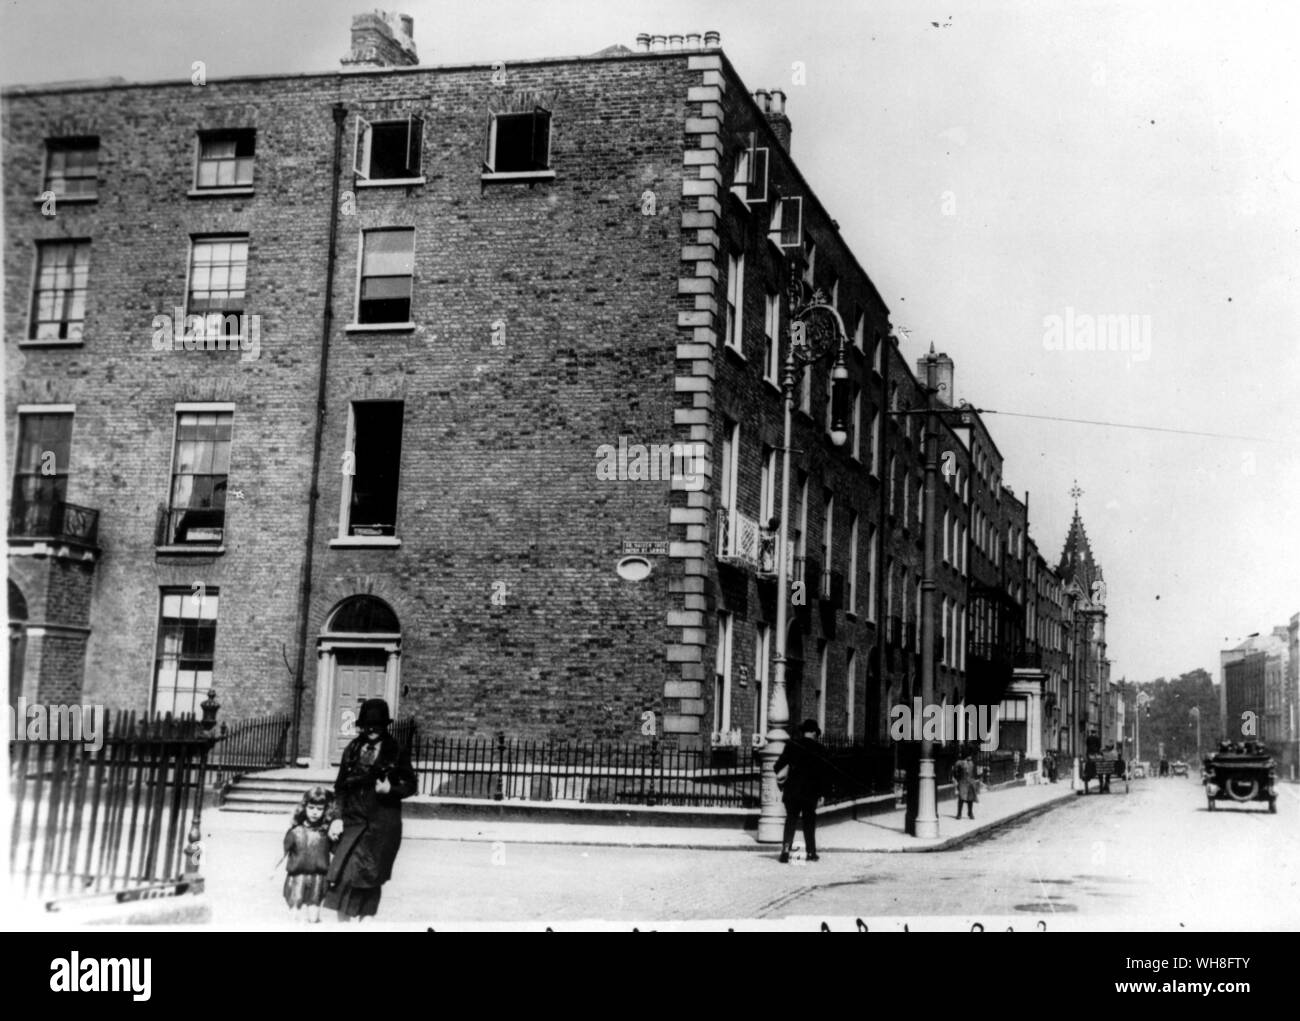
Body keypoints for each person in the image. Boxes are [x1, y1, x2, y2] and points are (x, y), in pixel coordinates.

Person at [324, 698, 417, 921]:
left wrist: (391, 789)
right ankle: (343, 923)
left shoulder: (395, 750)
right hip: (353, 822)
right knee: (344, 876)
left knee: (370, 879)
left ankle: (366, 923)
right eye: (368, 726)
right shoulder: (353, 749)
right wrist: (337, 818)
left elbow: (411, 785)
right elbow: (340, 787)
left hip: (381, 826)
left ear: (385, 726)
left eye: (378, 726)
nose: (372, 730)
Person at [774, 719, 831, 863]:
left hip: (792, 790)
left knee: (791, 819)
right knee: (809, 821)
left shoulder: (791, 745)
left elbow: (777, 766)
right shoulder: (821, 749)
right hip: (810, 792)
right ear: (813, 732)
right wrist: (823, 793)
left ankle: (786, 850)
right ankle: (811, 852)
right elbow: (824, 775)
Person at [283, 786, 336, 923]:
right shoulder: (295, 831)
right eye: (311, 807)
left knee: (313, 917)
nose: (315, 812)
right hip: (297, 877)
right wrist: (272, 869)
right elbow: (282, 852)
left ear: (325, 811)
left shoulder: (326, 832)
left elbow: (336, 853)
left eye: (319, 809)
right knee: (295, 913)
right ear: (304, 807)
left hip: (319, 878)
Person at [951, 746, 979, 819]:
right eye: (969, 755)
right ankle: (959, 813)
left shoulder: (971, 763)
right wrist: (957, 779)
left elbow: (974, 773)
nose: (970, 757)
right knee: (961, 797)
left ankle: (970, 812)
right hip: (962, 781)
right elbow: (955, 772)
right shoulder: (959, 763)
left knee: (970, 798)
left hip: (970, 781)